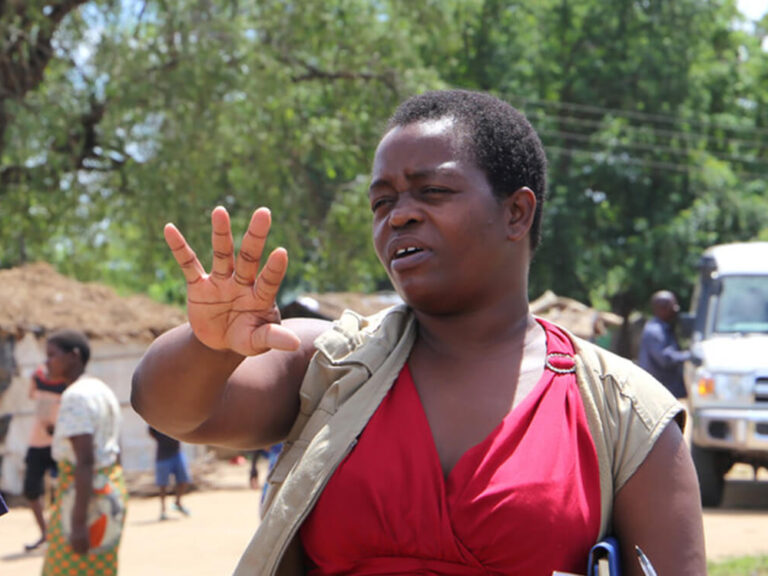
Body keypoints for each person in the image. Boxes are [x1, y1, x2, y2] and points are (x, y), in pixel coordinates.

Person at [132, 90, 706, 575]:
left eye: (432, 192)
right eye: (382, 201)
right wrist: (209, 345)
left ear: (517, 213)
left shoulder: (623, 412)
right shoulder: (330, 363)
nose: (398, 215)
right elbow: (171, 409)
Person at [42, 329, 126, 576]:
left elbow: (85, 460)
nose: (47, 362)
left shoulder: (75, 396)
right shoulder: (101, 390)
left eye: (52, 355)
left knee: (65, 570)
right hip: (110, 490)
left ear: (73, 356)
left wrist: (78, 523)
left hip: (83, 499)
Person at [23, 365, 66, 551]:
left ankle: (60, 534)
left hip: (60, 442)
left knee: (65, 488)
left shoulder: (69, 384)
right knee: (31, 490)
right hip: (38, 443)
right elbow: (31, 394)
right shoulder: (38, 377)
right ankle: (46, 533)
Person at [637, 290, 692, 399]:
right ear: (663, 309)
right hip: (658, 393)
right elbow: (665, 359)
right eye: (673, 306)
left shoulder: (663, 328)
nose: (676, 310)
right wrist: (690, 355)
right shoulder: (655, 331)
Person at [148, 425, 191, 520]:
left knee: (184, 480)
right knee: (162, 485)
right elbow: (151, 431)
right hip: (163, 455)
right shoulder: (156, 418)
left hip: (176, 452)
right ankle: (163, 510)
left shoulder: (176, 417)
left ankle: (178, 502)